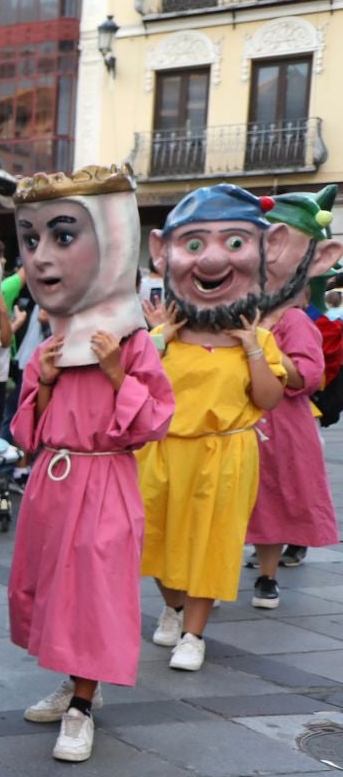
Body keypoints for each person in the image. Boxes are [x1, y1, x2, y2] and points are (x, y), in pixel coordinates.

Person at [7, 166, 176, 761]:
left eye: (61, 237)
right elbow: (25, 432)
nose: (42, 257)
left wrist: (114, 373)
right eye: (32, 241)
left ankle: (81, 706)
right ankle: (77, 683)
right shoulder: (50, 344)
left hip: (105, 479)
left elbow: (155, 421)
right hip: (54, 481)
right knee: (57, 592)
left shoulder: (132, 342)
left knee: (94, 592)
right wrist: (48, 382)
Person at [142, 185, 288, 671]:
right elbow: (133, 388)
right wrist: (159, 339)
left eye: (234, 243)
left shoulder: (259, 338)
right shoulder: (161, 337)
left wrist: (251, 346)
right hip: (163, 452)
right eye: (194, 244)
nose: (210, 261)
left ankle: (194, 635)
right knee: (157, 540)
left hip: (226, 455)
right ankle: (173, 607)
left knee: (213, 544)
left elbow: (268, 399)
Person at [248, 187, 342, 611]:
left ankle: (267, 577)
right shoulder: (235, 314)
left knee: (272, 502)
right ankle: (205, 576)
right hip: (236, 422)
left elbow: (308, 376)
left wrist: (263, 347)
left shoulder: (295, 321)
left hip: (281, 426)